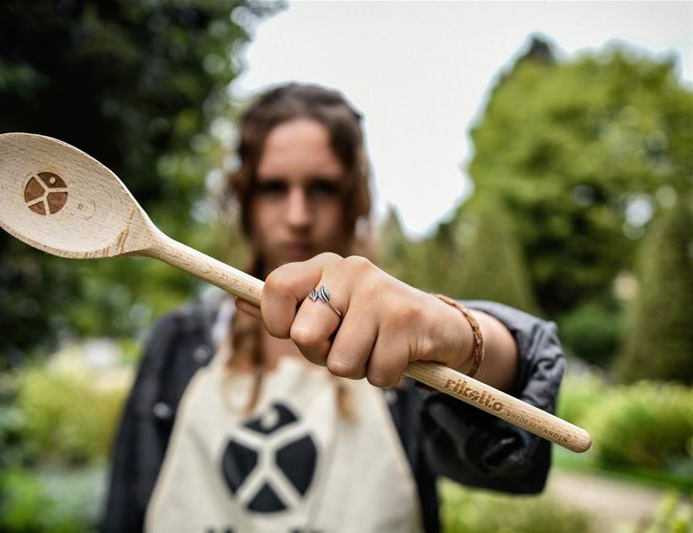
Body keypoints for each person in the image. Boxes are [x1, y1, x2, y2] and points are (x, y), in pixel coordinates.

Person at [102, 83, 565, 533]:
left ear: (353, 200)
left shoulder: (399, 336)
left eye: (321, 188)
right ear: (244, 200)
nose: (298, 215)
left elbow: (505, 460)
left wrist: (460, 335)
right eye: (274, 188)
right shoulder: (179, 341)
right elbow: (126, 506)